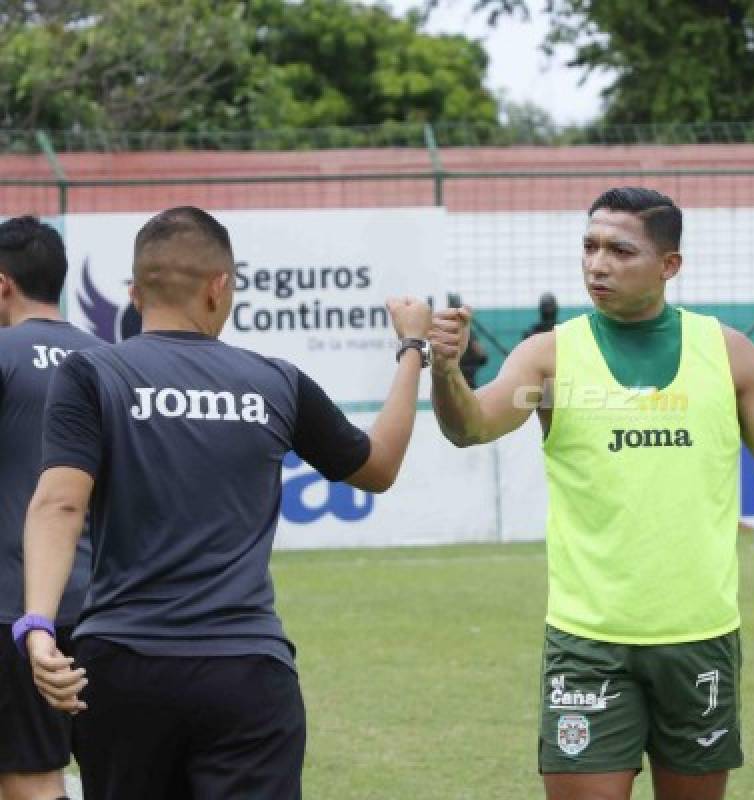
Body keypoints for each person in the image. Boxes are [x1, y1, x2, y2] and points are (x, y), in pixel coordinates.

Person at [429, 187, 754, 800]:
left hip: (699, 640)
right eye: (589, 247)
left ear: (669, 265)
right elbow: (472, 426)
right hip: (587, 643)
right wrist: (445, 371)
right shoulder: (549, 361)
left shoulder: (729, 356)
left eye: (620, 250)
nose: (598, 263)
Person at [15, 206, 433, 799]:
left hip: (122, 665)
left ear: (135, 292)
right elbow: (379, 465)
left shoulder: (91, 374)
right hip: (246, 670)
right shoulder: (275, 381)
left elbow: (59, 506)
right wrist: (413, 347)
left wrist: (37, 627)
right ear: (220, 287)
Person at [0, 216, 99, 800]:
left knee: (30, 781)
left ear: (3, 284)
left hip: (15, 607)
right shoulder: (115, 358)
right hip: (109, 608)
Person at [448, 292, 489, 388]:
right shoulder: (466, 330)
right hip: (465, 375)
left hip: (453, 375)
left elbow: (481, 354)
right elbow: (482, 355)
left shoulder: (440, 329)